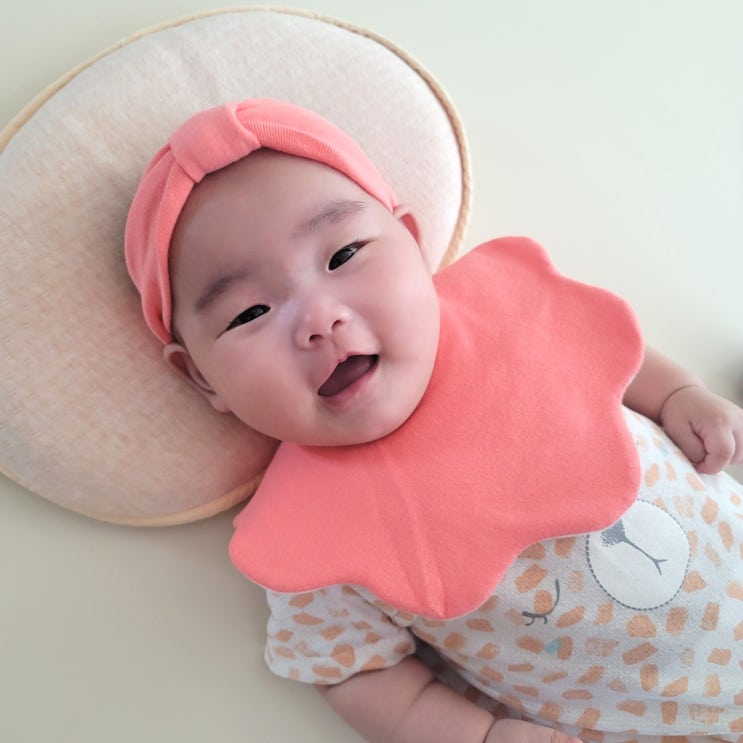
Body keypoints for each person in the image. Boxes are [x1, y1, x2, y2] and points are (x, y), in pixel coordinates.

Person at [125, 99, 743, 743]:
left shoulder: (510, 317)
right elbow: (355, 673)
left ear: (413, 246)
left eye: (343, 255)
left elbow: (609, 349)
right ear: (200, 376)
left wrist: (681, 395)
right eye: (250, 313)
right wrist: (479, 736)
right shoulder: (309, 543)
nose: (319, 319)